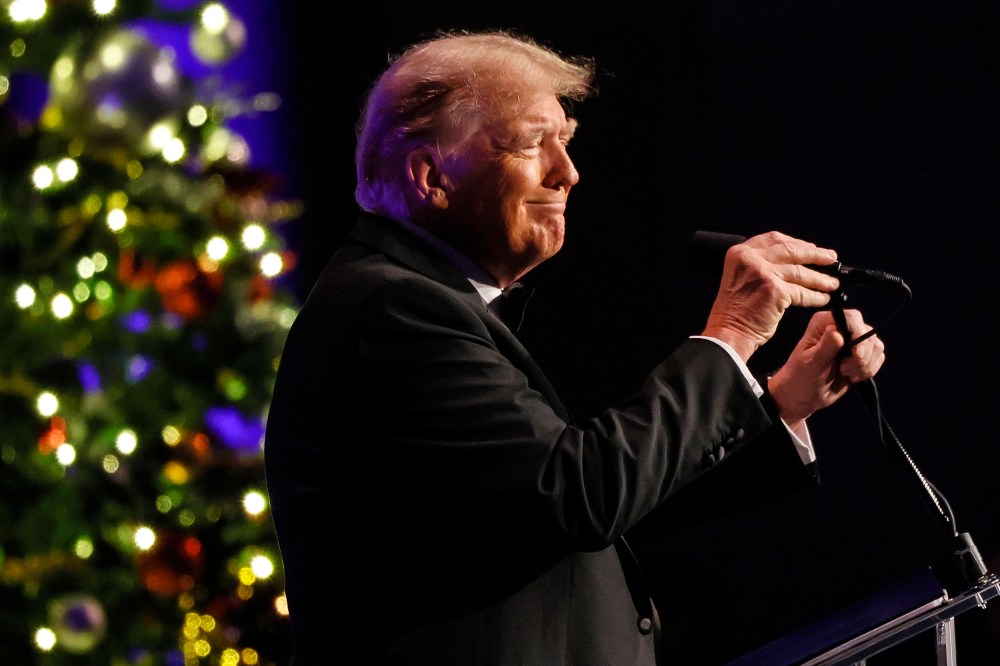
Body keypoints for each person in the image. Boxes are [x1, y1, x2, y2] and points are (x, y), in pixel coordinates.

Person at [263, 31, 886, 665]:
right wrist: (730, 335)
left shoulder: (419, 300)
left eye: (567, 140)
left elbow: (589, 518)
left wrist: (781, 403)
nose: (568, 172)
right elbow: (578, 497)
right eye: (534, 143)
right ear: (431, 176)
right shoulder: (394, 309)